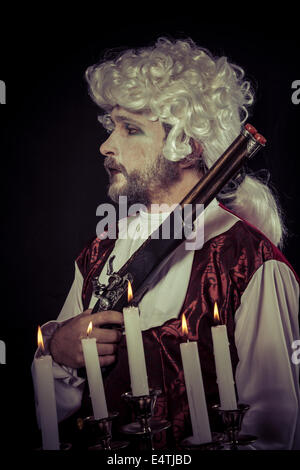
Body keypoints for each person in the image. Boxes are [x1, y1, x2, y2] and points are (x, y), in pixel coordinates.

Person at [32, 37, 300, 450]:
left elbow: (273, 436)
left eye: (131, 129)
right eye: (112, 126)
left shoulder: (252, 263)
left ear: (188, 146)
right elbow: (54, 414)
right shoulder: (99, 254)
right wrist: (56, 347)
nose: (106, 145)